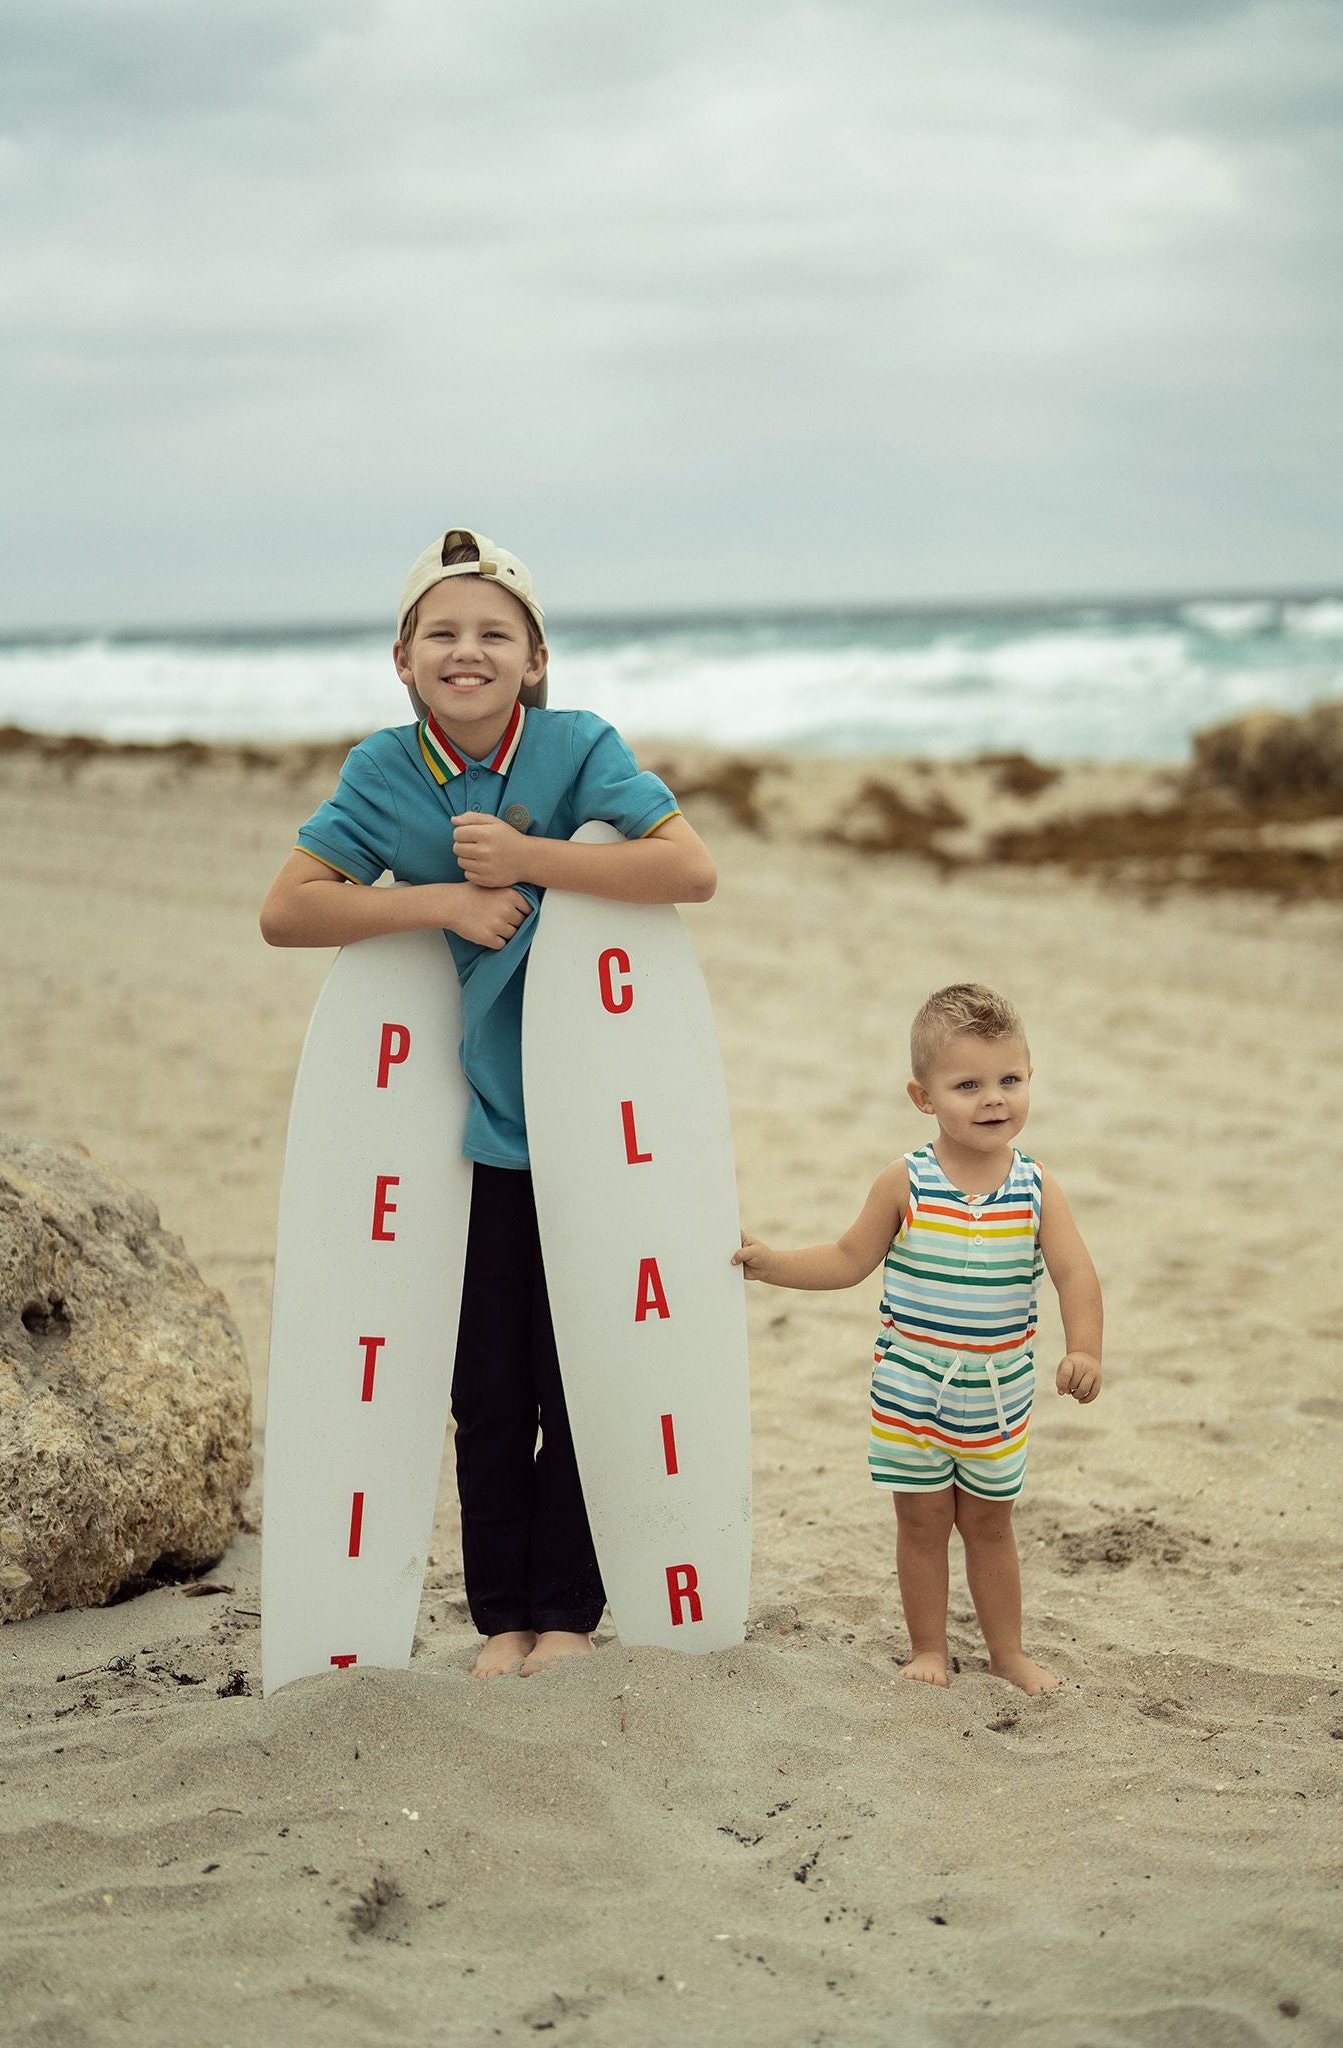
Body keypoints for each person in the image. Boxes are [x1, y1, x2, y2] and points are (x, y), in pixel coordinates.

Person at [261, 528, 717, 1678]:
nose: (470, 651)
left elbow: (687, 868)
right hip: (458, 1138)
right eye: (444, 633)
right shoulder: (381, 771)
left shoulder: (576, 748)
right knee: (485, 1384)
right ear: (404, 659)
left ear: (536, 657)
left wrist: (528, 855)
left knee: (581, 1374)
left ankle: (567, 1609)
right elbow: (289, 910)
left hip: (591, 1130)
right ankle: (500, 1615)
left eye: (494, 634)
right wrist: (437, 904)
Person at [734, 983, 1102, 1695]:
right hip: (910, 1391)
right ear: (922, 1096)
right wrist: (772, 1263)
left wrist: (1083, 1347)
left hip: (996, 1398)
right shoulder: (904, 1182)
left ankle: (1007, 1653)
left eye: (1009, 1080)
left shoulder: (1035, 1188)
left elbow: (1073, 1272)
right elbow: (847, 1259)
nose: (993, 1099)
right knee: (923, 1521)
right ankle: (928, 1647)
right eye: (967, 1084)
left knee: (991, 1526)